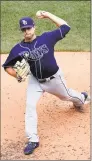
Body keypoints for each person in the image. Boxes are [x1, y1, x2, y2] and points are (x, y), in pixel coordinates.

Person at [2, 11, 90, 155]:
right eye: (23, 29)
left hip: (54, 79)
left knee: (67, 96)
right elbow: (7, 66)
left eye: (28, 28)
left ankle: (81, 98)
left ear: (34, 27)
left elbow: (65, 27)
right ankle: (33, 139)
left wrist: (48, 15)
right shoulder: (18, 49)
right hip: (35, 81)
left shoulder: (47, 38)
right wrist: (16, 75)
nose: (26, 31)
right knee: (30, 106)